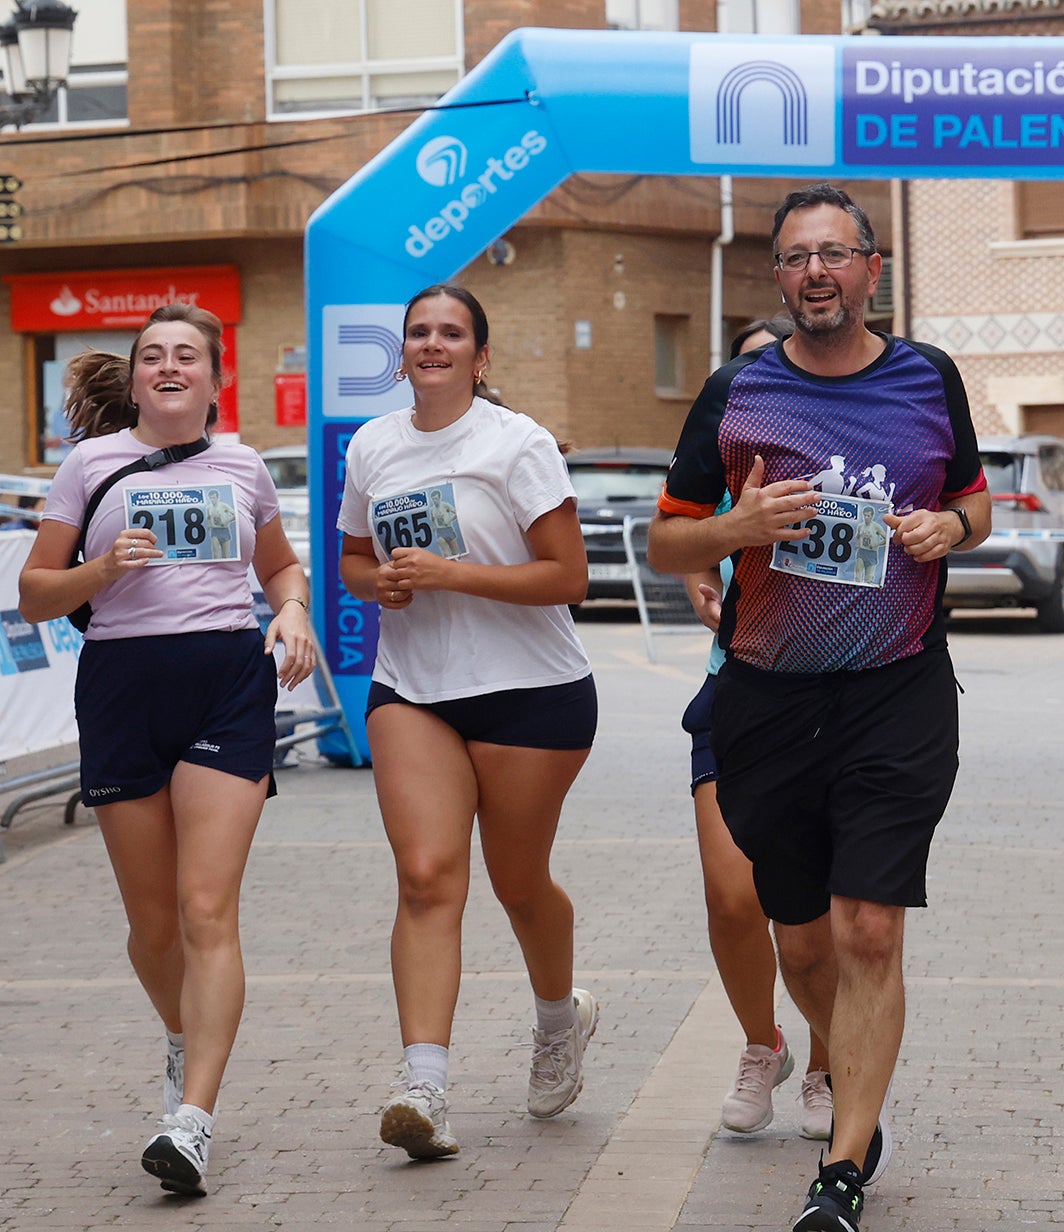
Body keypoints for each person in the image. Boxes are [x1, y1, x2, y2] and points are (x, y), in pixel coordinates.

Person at [649, 184, 990, 1232]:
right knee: (800, 943)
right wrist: (734, 523)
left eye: (833, 254)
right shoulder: (735, 390)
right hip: (766, 697)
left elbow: (972, 497)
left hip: (896, 688)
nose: (814, 273)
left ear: (869, 269)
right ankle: (845, 1067)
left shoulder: (925, 376)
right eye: (795, 257)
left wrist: (948, 528)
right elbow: (666, 541)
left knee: (868, 927)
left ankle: (840, 1168)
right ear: (776, 277)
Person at [17, 302, 314, 1198]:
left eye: (188, 355)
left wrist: (292, 613)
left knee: (204, 908)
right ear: (138, 378)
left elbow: (279, 568)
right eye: (154, 356)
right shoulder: (89, 465)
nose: (170, 366)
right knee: (152, 928)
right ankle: (186, 1034)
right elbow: (34, 595)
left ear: (215, 380)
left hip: (224, 679)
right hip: (120, 688)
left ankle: (192, 1118)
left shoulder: (244, 465)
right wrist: (101, 572)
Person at [337, 284, 597, 1161]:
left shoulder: (515, 444)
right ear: (402, 353)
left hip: (531, 689)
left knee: (518, 884)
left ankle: (560, 1018)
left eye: (452, 333)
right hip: (414, 686)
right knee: (424, 875)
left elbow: (569, 577)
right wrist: (383, 585)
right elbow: (352, 560)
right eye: (418, 332)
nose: (433, 344)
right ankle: (425, 1088)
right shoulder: (373, 445)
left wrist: (457, 577)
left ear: (481, 358)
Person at [679, 312, 835, 1141]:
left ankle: (825, 1064)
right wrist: (707, 576)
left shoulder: (844, 441)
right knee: (731, 895)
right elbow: (682, 528)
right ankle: (759, 1044)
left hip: (839, 695)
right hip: (735, 689)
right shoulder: (724, 428)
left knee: (820, 911)